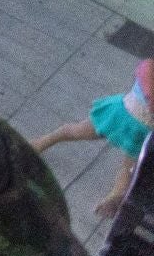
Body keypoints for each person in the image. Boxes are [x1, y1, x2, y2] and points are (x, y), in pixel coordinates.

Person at [34, 59, 154, 219]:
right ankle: (45, 141)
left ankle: (113, 199)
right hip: (119, 116)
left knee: (128, 168)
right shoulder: (150, 68)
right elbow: (144, 70)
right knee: (76, 131)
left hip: (141, 135)